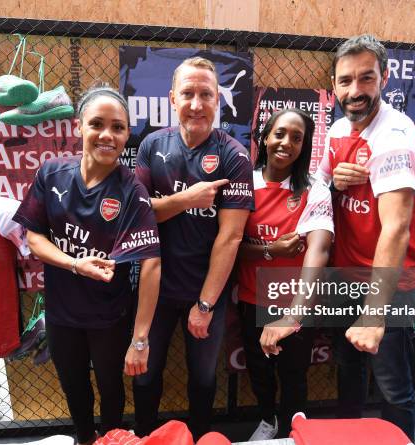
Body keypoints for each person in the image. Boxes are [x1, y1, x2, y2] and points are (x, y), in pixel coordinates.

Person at [13, 87, 161, 445]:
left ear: (127, 134)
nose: (107, 135)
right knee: (75, 389)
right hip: (62, 316)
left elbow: (152, 264)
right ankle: (83, 438)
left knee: (111, 391)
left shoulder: (132, 191)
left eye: (118, 127)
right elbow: (34, 239)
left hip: (109, 318)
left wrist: (140, 339)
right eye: (97, 124)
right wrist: (75, 264)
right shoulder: (51, 174)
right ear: (79, 127)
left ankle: (109, 439)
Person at [133, 57, 254, 439]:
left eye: (206, 94)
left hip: (205, 294)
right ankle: (145, 436)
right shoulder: (152, 145)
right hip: (154, 289)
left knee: (202, 378)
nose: (197, 104)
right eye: (188, 93)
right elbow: (137, 216)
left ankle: (201, 438)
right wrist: (187, 199)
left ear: (218, 99)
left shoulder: (234, 156)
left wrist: (204, 305)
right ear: (172, 98)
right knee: (145, 375)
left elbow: (230, 237)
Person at [314, 34, 415, 440]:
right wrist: (335, 185)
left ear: (385, 77)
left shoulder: (394, 135)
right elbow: (316, 188)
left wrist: (376, 313)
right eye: (345, 81)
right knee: (348, 370)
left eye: (366, 78)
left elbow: (396, 227)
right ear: (334, 83)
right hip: (347, 275)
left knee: (393, 386)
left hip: (388, 284)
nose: (355, 91)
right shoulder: (340, 127)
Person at [236, 108, 333, 440]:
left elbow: (318, 250)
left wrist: (293, 315)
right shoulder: (244, 185)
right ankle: (268, 421)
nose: (286, 142)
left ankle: (294, 432)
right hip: (251, 299)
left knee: (293, 376)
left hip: (295, 304)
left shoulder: (314, 189)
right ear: (265, 138)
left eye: (297, 137)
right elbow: (230, 247)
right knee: (259, 372)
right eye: (279, 133)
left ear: (304, 146)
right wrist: (271, 250)